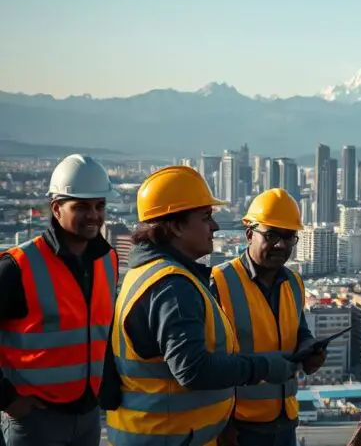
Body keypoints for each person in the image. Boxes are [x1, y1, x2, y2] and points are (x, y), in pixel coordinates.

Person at [100, 166, 300, 445]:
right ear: (176, 225)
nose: (214, 226)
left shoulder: (147, 273)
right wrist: (262, 367)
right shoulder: (172, 285)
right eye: (206, 217)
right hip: (168, 436)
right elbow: (192, 368)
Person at [0, 154, 118, 446]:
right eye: (81, 206)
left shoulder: (108, 260)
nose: (94, 215)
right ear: (56, 208)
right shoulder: (18, 266)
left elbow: (103, 332)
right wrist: (7, 399)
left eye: (99, 206)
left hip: (89, 417)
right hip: (35, 421)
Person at [211, 188, 325, 446]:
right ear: (249, 234)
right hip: (239, 427)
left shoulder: (294, 282)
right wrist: (223, 424)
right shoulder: (219, 282)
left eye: (288, 237)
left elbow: (299, 330)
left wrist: (309, 349)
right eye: (272, 235)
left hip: (285, 421)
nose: (281, 245)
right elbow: (208, 361)